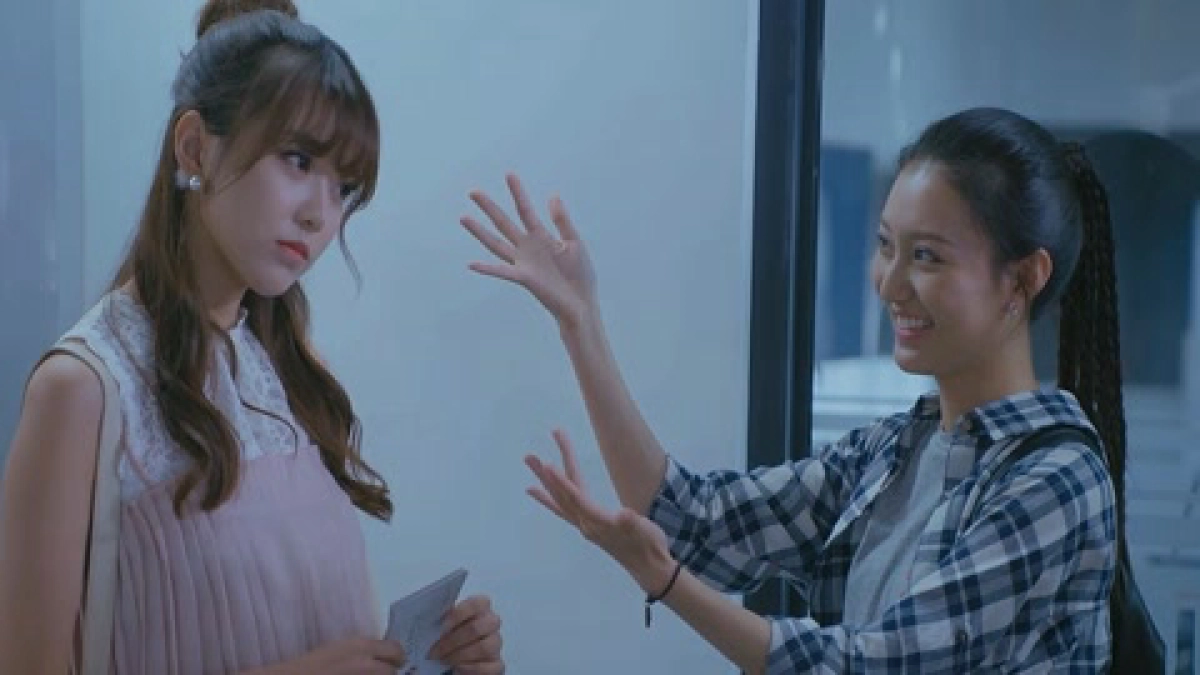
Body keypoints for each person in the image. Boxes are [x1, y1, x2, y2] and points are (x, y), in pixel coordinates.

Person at [459, 107, 1124, 673]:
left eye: (927, 256)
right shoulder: (895, 450)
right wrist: (581, 322)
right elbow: (691, 521)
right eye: (886, 246)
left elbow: (873, 666)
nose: (891, 283)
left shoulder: (1058, 477)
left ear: (1022, 279)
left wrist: (664, 579)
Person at [0, 2, 504, 673]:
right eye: (298, 160)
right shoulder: (82, 390)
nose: (320, 213)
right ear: (194, 148)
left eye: (344, 188)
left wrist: (438, 657)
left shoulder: (291, 377)